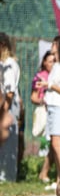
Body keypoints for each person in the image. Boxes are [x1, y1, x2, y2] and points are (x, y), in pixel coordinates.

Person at [37, 35, 60, 181]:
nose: (52, 45)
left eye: (55, 43)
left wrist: (49, 85)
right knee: (54, 144)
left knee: (58, 144)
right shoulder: (57, 66)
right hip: (53, 107)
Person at [31, 49, 56, 186]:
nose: (52, 64)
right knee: (51, 144)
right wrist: (43, 100)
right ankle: (44, 172)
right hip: (45, 113)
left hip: (56, 113)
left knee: (56, 144)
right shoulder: (40, 77)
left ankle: (45, 172)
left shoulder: (58, 76)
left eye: (54, 61)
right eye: (50, 61)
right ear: (44, 62)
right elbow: (33, 97)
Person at [0, 32, 21, 179]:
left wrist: (3, 111)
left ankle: (8, 176)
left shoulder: (9, 64)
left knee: (9, 142)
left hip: (9, 106)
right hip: (5, 105)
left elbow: (10, 92)